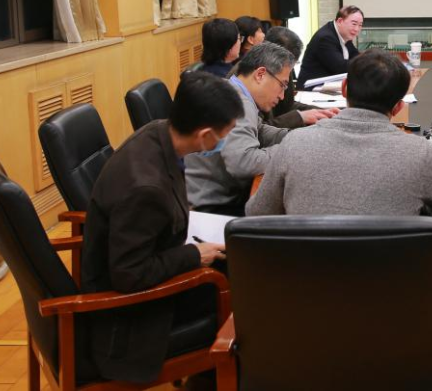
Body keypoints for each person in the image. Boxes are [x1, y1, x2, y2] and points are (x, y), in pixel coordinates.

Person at [80, 72, 242, 384]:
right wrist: (195, 255)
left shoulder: (157, 132)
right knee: (244, 296)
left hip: (152, 265)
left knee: (239, 266)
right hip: (130, 318)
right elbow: (129, 274)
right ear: (205, 135)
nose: (225, 141)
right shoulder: (146, 189)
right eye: (226, 134)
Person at [247, 49, 432, 222]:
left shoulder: (294, 142)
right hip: (391, 268)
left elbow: (257, 212)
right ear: (398, 107)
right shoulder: (420, 152)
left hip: (307, 267)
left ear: (344, 88)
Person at [185, 42, 294, 216]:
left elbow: (259, 130)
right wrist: (291, 149)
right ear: (260, 74)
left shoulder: (233, 89)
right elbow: (244, 163)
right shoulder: (237, 103)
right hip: (213, 208)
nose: (282, 96)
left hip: (218, 194)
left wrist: (295, 137)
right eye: (282, 85)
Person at [263, 25, 337, 129]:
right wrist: (300, 117)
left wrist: (321, 112)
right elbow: (260, 131)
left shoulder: (282, 71)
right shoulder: (251, 82)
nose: (281, 96)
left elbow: (286, 105)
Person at [296, 5, 363, 89]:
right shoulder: (325, 38)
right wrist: (366, 65)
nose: (357, 29)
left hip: (327, 88)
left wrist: (368, 61)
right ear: (340, 21)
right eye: (354, 24)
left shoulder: (344, 35)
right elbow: (340, 67)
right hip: (311, 90)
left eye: (360, 25)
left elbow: (356, 57)